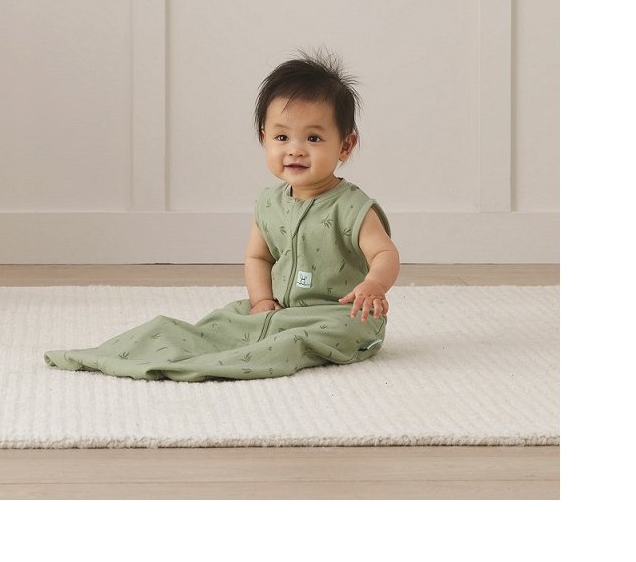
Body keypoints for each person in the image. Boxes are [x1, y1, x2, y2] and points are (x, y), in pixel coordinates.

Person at [44, 51, 400, 381]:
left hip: (339, 314)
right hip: (279, 309)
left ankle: (231, 361)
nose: (295, 150)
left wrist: (374, 285)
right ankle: (131, 353)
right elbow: (258, 257)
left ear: (345, 145)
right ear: (264, 138)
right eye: (281, 137)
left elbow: (384, 253)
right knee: (220, 322)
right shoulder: (268, 204)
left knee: (312, 336)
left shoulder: (352, 207)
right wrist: (262, 301)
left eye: (313, 138)